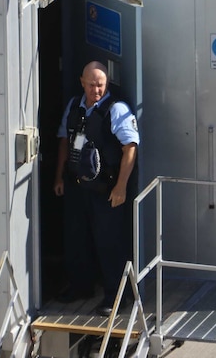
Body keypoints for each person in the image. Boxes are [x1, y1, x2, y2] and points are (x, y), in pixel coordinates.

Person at [53, 60, 139, 316]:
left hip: (106, 191)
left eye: (100, 85)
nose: (96, 90)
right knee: (76, 239)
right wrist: (58, 177)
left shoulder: (117, 110)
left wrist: (122, 187)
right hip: (78, 187)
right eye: (91, 85)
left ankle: (116, 296)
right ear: (82, 83)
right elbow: (63, 142)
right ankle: (81, 287)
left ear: (107, 84)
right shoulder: (74, 106)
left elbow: (130, 148)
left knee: (110, 242)